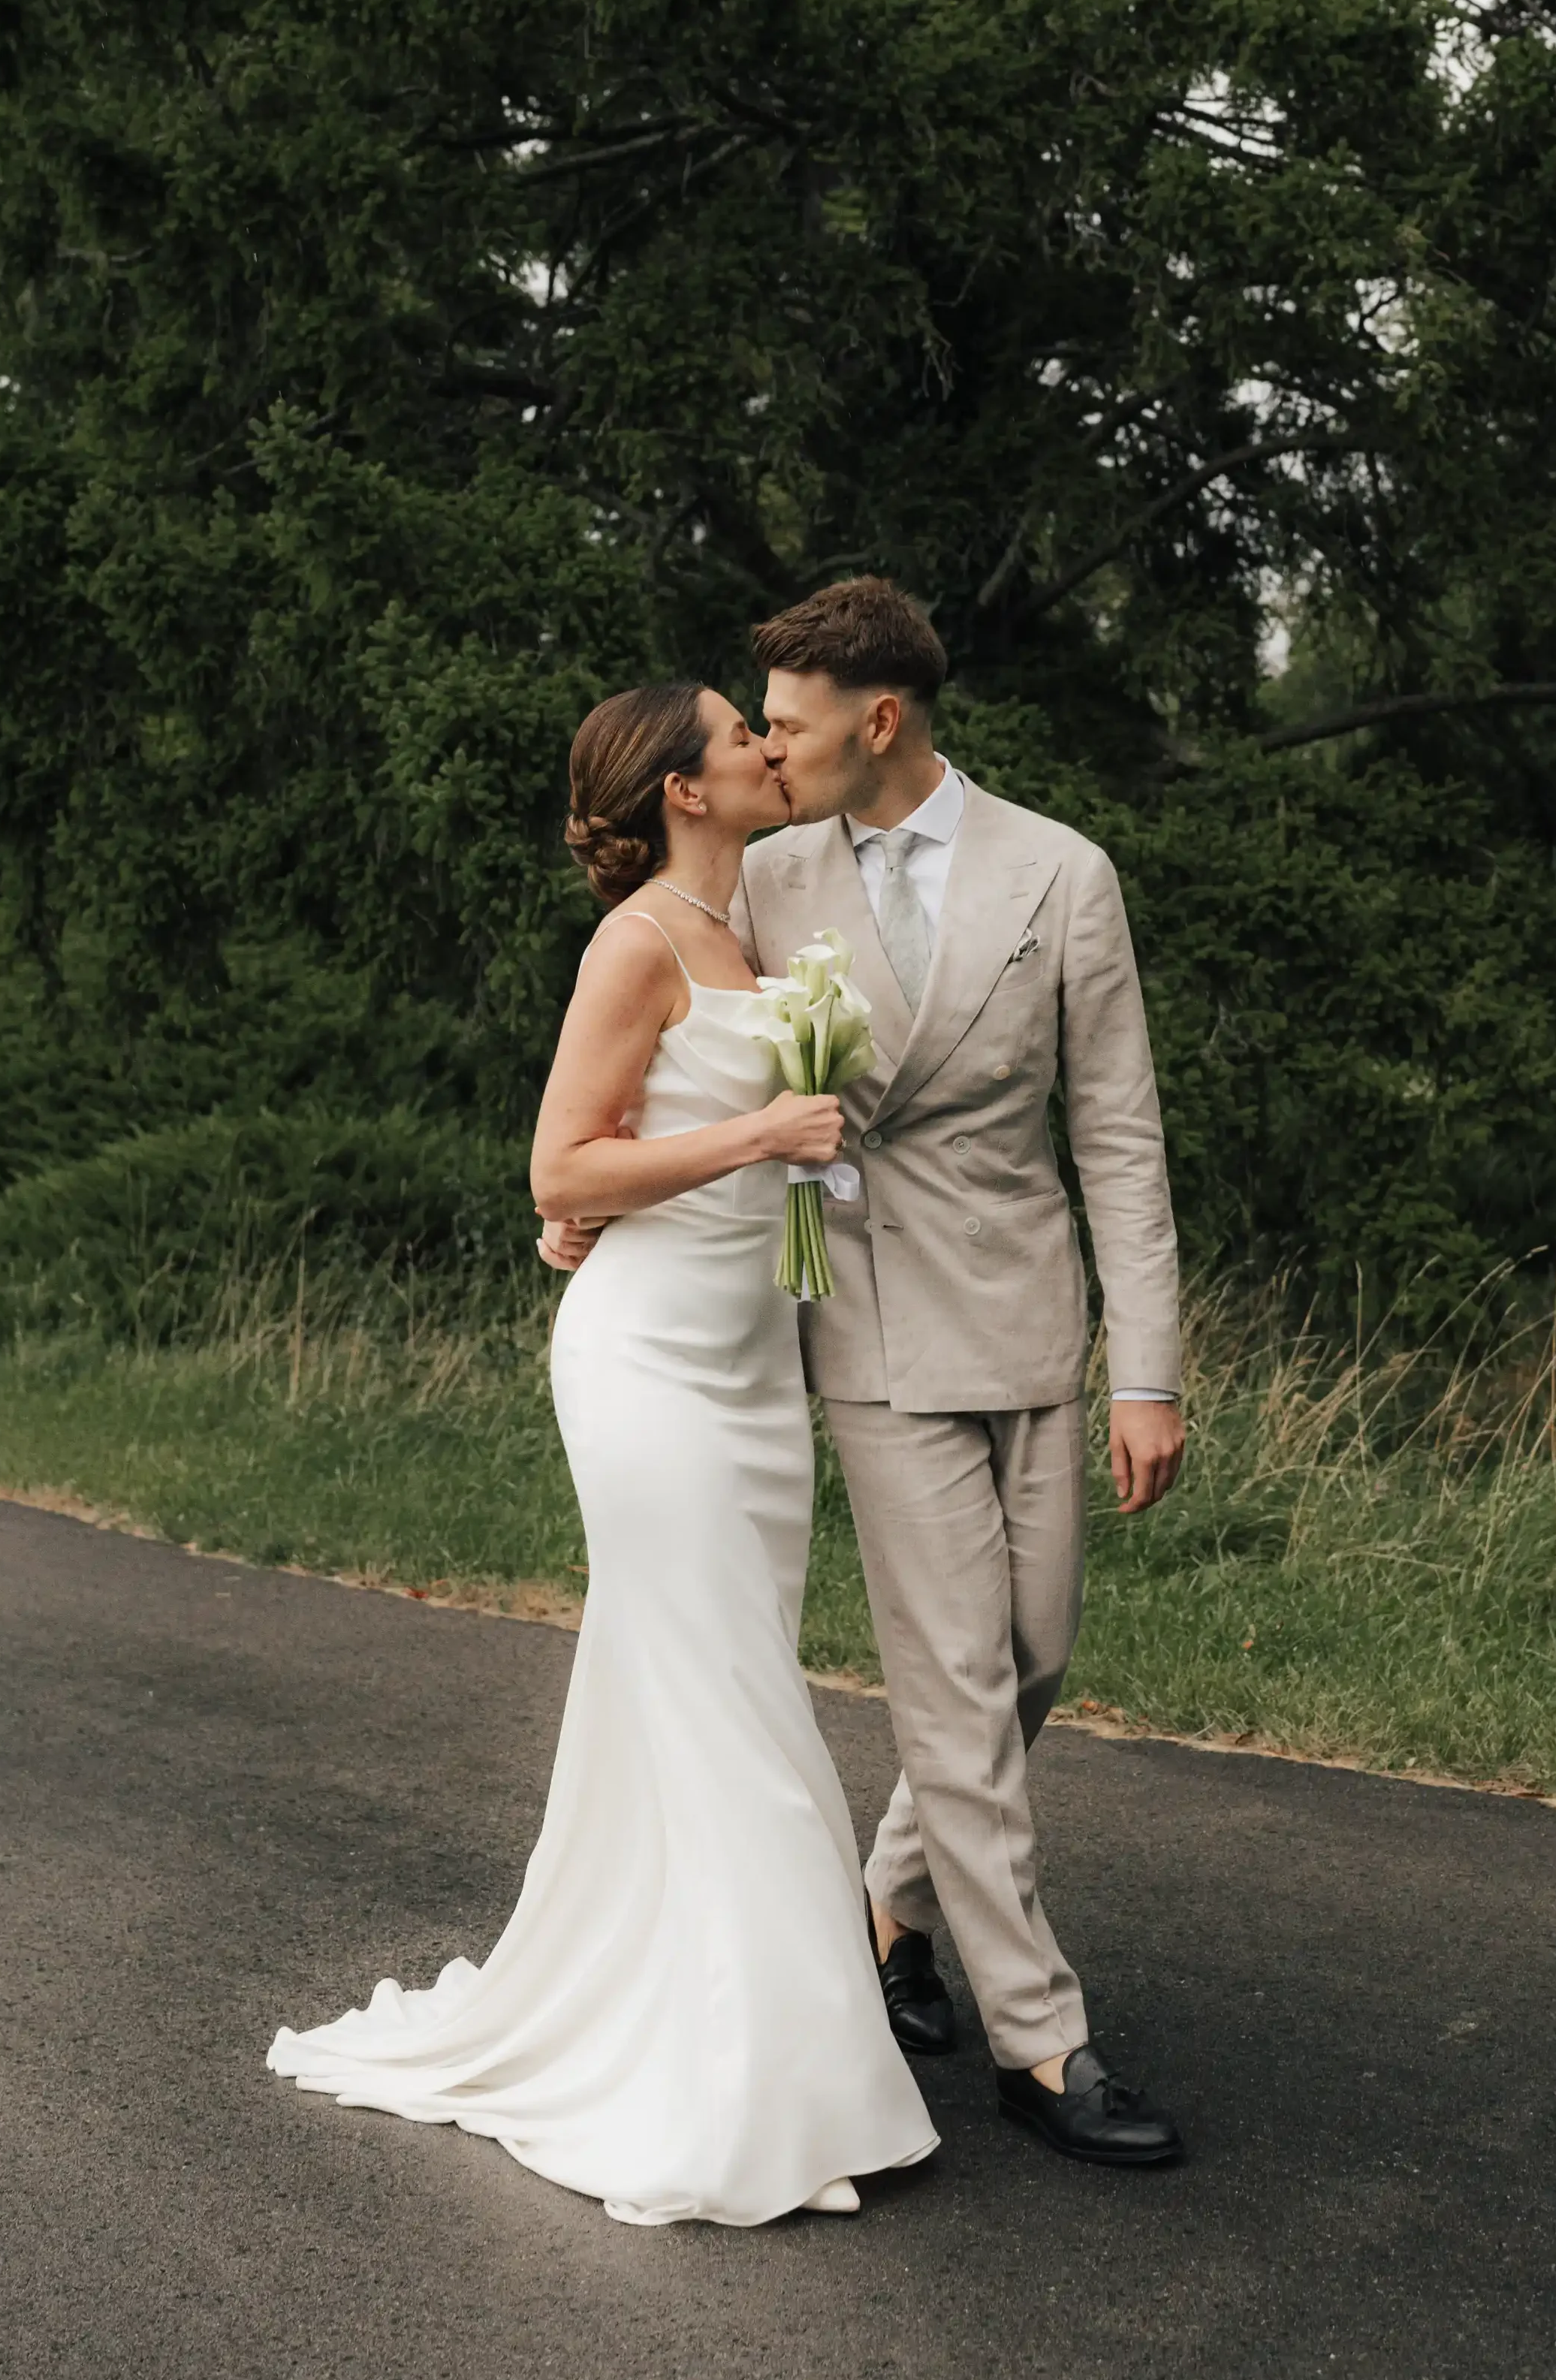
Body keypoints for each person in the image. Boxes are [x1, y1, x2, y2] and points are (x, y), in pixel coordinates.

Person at [269, 683, 938, 2227]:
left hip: (753, 1370)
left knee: (700, 1687)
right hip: (645, 1370)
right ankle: (770, 2088)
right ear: (679, 791)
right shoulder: (635, 941)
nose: (767, 749)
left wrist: (700, 1174)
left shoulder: (761, 924)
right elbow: (560, 1160)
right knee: (733, 1703)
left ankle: (705, 2024)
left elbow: (615, 1162)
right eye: (737, 736)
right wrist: (750, 1144)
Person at [740, 575, 1186, 2167]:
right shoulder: (764, 877)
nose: (765, 750)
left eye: (788, 725)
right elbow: (684, 1050)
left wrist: (1146, 1369)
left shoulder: (1059, 874)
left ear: (882, 720)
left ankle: (887, 1904)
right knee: (950, 1686)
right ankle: (1041, 2044)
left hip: (1026, 1316)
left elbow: (1116, 1135)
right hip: (860, 1311)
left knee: (1030, 1653)